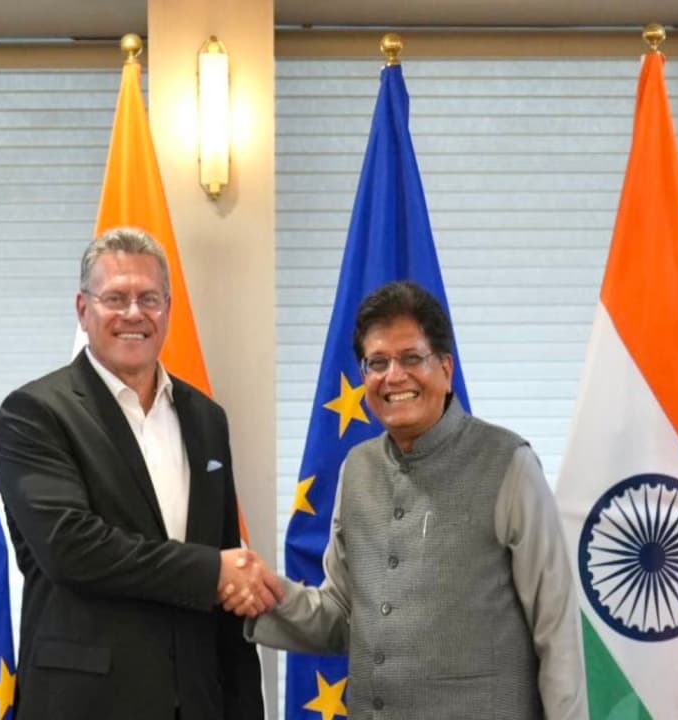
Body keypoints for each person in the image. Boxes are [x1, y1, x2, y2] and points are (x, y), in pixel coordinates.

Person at [244, 280, 588, 719]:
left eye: (411, 358)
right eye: (378, 362)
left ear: (445, 370)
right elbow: (342, 613)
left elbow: (556, 631)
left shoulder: (510, 464)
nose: (394, 377)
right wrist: (261, 596)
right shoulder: (357, 469)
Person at [0, 227, 277, 720]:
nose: (133, 314)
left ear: (168, 308)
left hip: (197, 702)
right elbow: (72, 550)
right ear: (83, 310)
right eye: (115, 298)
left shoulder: (207, 419)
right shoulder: (35, 413)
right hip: (86, 705)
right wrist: (211, 572)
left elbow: (226, 572)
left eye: (148, 298)